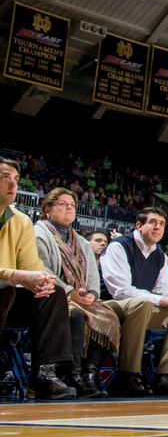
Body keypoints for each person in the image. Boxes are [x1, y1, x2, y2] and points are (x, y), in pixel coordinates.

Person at [99, 207, 168, 396]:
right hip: (110, 306)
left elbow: (164, 290)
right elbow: (120, 291)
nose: (157, 227)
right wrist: (163, 300)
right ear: (139, 225)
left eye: (161, 224)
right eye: (152, 222)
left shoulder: (159, 254)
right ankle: (128, 374)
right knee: (142, 304)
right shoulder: (119, 246)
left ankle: (167, 376)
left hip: (141, 308)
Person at [33, 188, 121, 398]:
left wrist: (92, 293)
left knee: (107, 316)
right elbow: (40, 268)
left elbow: (92, 274)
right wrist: (70, 291)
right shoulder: (38, 234)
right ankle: (71, 373)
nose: (69, 208)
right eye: (62, 204)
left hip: (80, 296)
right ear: (47, 209)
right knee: (76, 314)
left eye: (72, 205)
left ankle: (89, 373)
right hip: (53, 295)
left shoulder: (81, 241)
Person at [0, 159, 77, 399]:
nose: (12, 184)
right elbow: (16, 275)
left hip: (7, 297)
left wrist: (41, 280)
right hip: (4, 289)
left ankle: (44, 373)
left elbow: (31, 267)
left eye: (15, 179)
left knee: (53, 292)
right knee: (4, 287)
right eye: (5, 177)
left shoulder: (21, 220)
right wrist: (14, 275)